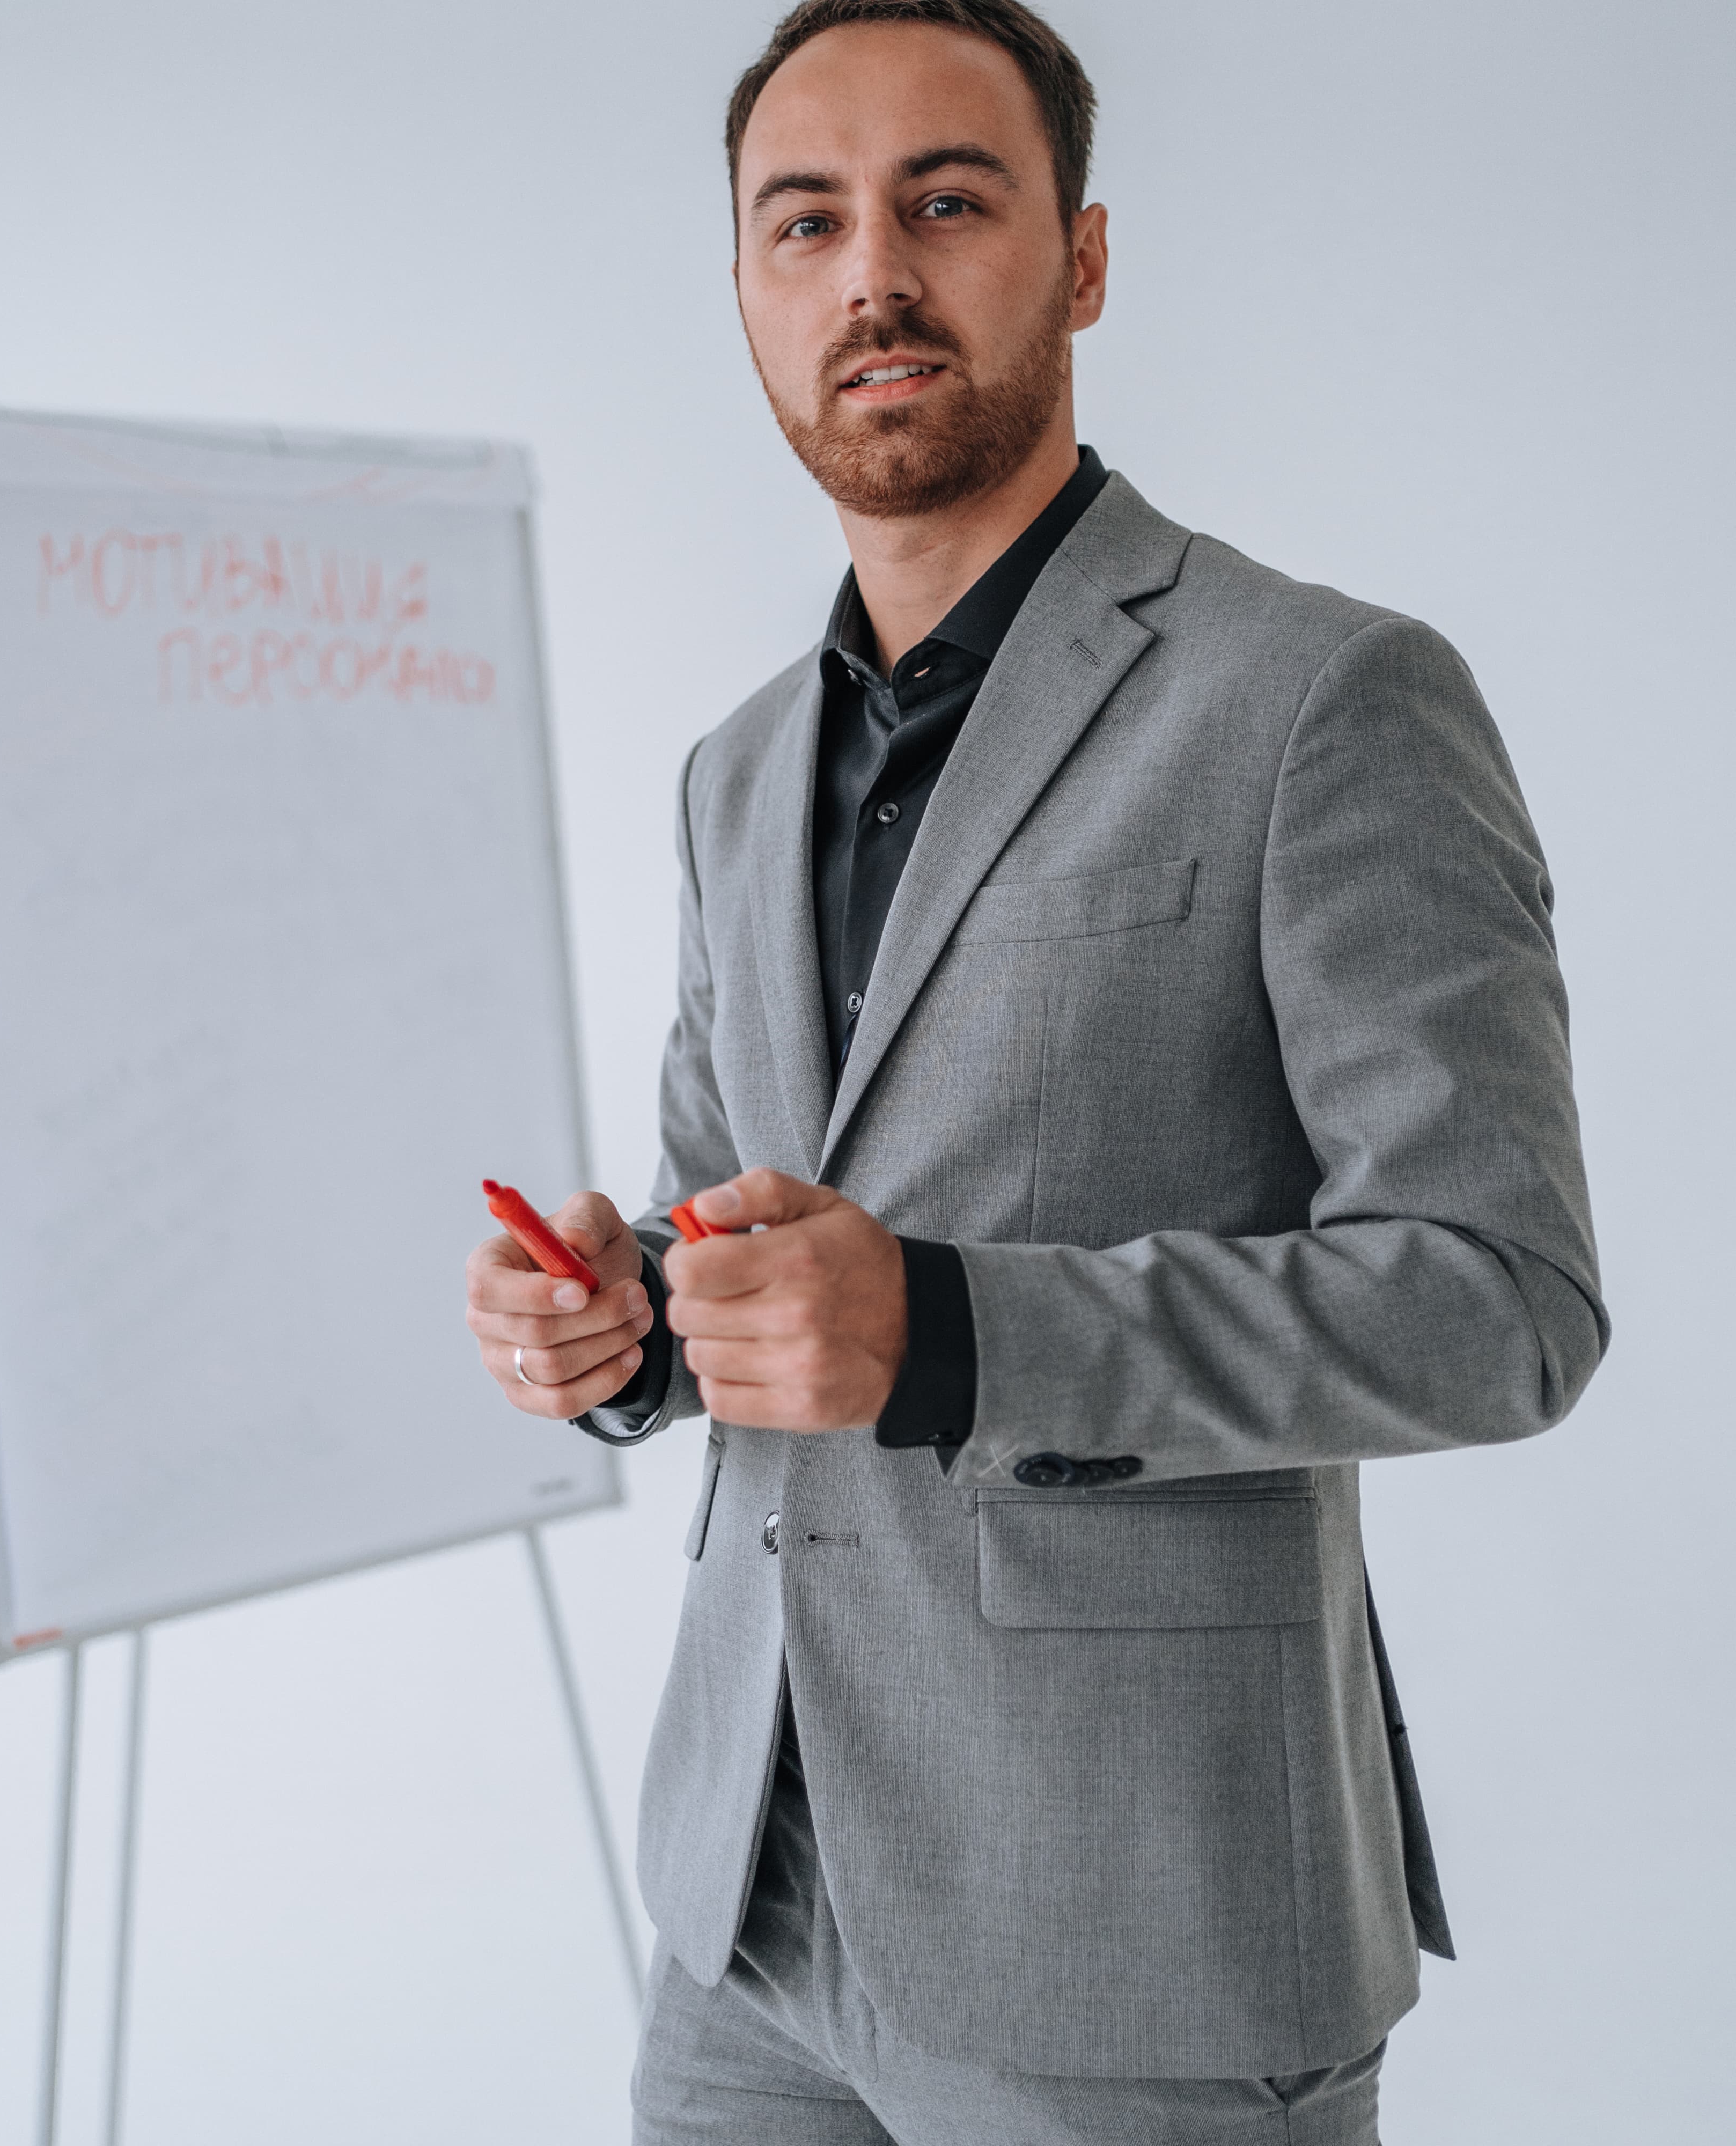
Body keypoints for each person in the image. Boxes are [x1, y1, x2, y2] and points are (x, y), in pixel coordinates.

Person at [465, 2, 1607, 2137]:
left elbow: (1500, 1302)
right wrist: (625, 1324)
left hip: (1135, 1930)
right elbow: (738, 1240)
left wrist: (956, 1329)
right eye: (805, 223)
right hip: (744, 1909)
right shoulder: (734, 772)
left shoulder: (1325, 699)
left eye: (947, 203)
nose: (871, 275)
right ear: (745, 293)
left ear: (1079, 260)